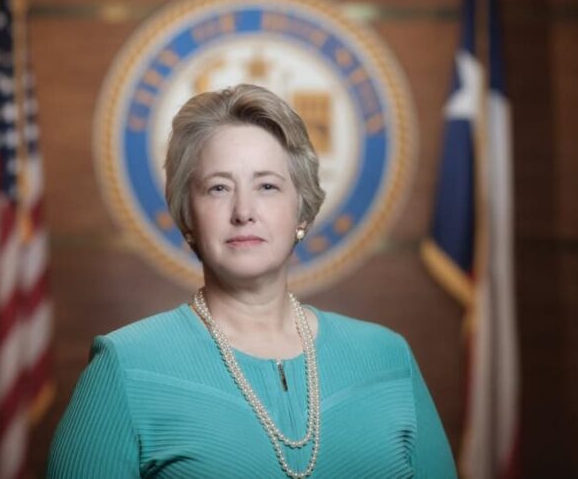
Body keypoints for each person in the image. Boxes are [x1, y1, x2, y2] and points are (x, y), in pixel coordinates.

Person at [47, 84, 456, 478]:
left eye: (267, 186)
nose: (244, 211)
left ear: (301, 210)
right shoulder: (124, 366)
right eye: (218, 187)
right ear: (187, 216)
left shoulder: (387, 358)